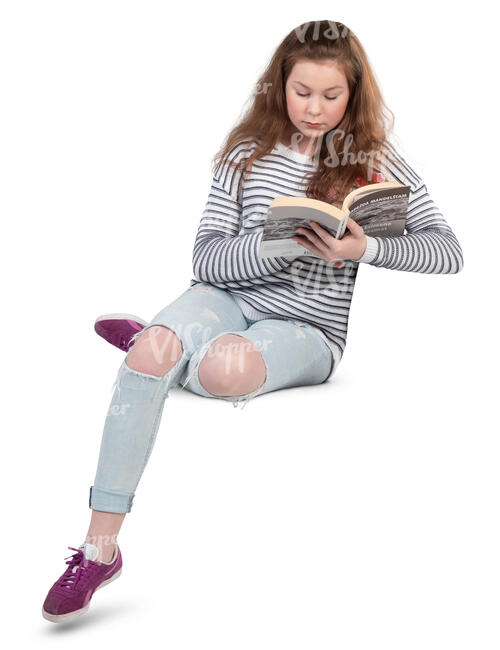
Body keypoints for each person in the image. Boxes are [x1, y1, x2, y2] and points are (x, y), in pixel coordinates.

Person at [42, 19, 464, 623]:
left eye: (331, 95)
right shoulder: (246, 151)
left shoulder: (372, 158)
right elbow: (207, 257)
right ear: (278, 86)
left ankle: (162, 349)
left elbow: (448, 251)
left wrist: (362, 250)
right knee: (151, 353)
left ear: (354, 93)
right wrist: (281, 242)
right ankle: (99, 547)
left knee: (221, 369)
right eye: (301, 92)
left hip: (309, 328)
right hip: (224, 294)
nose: (314, 109)